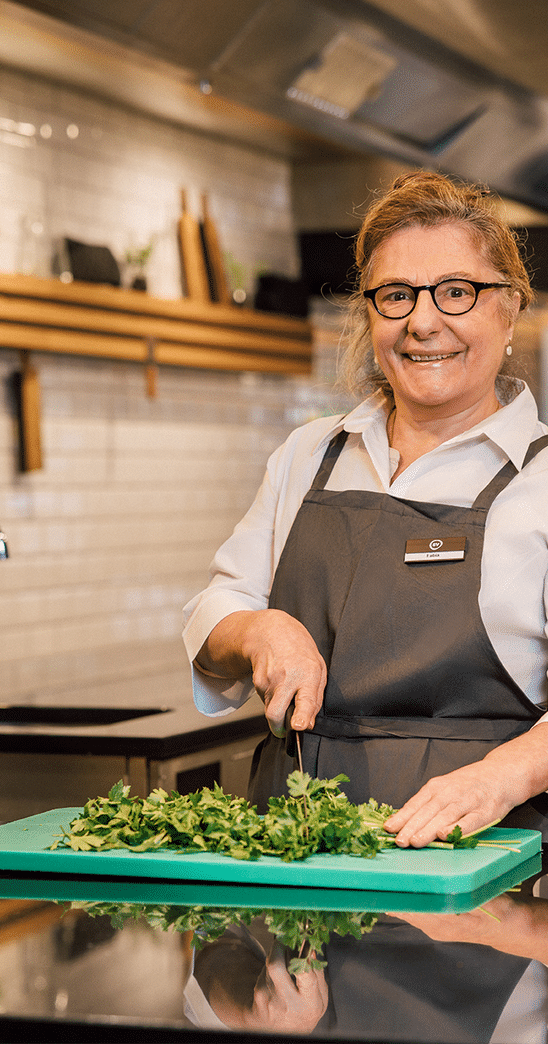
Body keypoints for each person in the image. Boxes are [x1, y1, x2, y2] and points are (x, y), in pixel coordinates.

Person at [183, 170, 548, 847]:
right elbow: (218, 608)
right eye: (396, 295)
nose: (422, 322)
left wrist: (499, 778)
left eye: (457, 292)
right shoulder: (310, 454)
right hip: (293, 858)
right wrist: (260, 629)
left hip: (480, 864)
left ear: (510, 308)